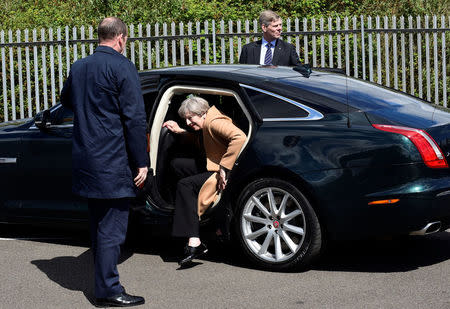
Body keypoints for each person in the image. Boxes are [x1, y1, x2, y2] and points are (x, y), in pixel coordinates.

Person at [60, 17, 148, 307]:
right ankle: (108, 291)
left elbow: (68, 102)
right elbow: (134, 119)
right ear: (121, 37)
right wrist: (142, 162)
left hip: (86, 157)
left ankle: (102, 284)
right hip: (113, 160)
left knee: (99, 225)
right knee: (111, 229)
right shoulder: (123, 67)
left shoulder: (79, 66)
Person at [162, 96, 246, 266]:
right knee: (176, 164)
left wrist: (224, 167)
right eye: (185, 119)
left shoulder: (214, 122)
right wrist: (180, 132)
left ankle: (195, 242)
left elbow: (239, 137)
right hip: (211, 163)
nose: (187, 122)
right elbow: (204, 140)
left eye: (190, 118)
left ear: (201, 113)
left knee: (184, 185)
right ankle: (185, 208)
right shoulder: (207, 121)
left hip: (220, 171)